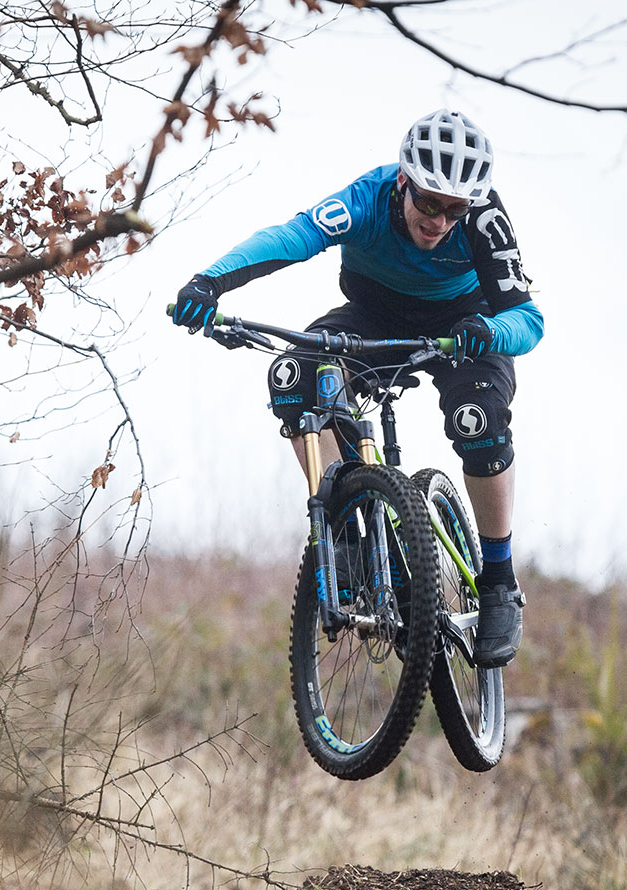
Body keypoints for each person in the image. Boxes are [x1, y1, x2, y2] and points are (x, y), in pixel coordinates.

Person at [170, 109, 541, 668]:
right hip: (374, 312)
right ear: (403, 183)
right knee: (297, 379)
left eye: (454, 208)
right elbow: (293, 237)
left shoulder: (484, 222)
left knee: (477, 421)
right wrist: (211, 282)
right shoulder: (367, 198)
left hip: (465, 327)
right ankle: (346, 527)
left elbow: (529, 321)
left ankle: (498, 580)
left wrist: (487, 330)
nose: (440, 220)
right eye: (429, 202)